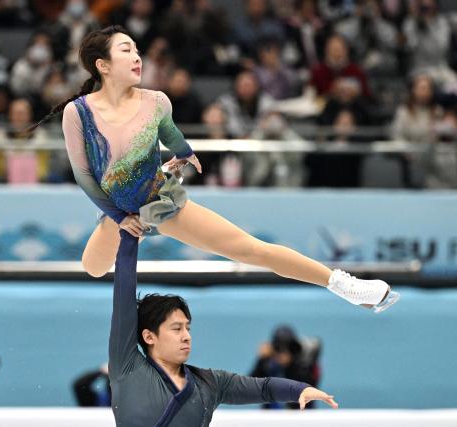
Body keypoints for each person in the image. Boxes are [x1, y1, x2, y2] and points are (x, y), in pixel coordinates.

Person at [30, 25, 399, 313]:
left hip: (159, 199)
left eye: (138, 50)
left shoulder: (155, 100)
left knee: (252, 250)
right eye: (127, 50)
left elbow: (170, 135)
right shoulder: (78, 112)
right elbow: (83, 175)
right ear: (103, 65)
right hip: (119, 210)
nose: (137, 56)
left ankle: (344, 284)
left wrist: (182, 154)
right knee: (93, 268)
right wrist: (117, 216)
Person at [106, 230, 337, 425]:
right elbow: (123, 294)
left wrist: (299, 390)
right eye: (176, 329)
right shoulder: (127, 366)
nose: (186, 336)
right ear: (148, 336)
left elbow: (263, 388)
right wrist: (129, 236)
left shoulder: (210, 383)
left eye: (188, 328)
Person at [250, 325, 321, 409]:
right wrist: (261, 360)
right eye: (278, 347)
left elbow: (305, 387)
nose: (283, 352)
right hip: (270, 417)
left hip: (300, 417)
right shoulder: (267, 365)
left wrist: (290, 365)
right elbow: (250, 388)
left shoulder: (304, 365)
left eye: (288, 347)